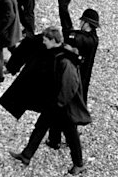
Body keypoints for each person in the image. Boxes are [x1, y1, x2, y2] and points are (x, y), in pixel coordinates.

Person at [9, 26, 90, 175]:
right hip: (54, 103)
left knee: (71, 134)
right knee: (40, 127)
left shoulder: (65, 60)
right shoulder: (56, 53)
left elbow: (70, 85)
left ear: (53, 41)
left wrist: (59, 103)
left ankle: (79, 164)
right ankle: (26, 155)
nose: (44, 43)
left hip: (63, 106)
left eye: (46, 40)